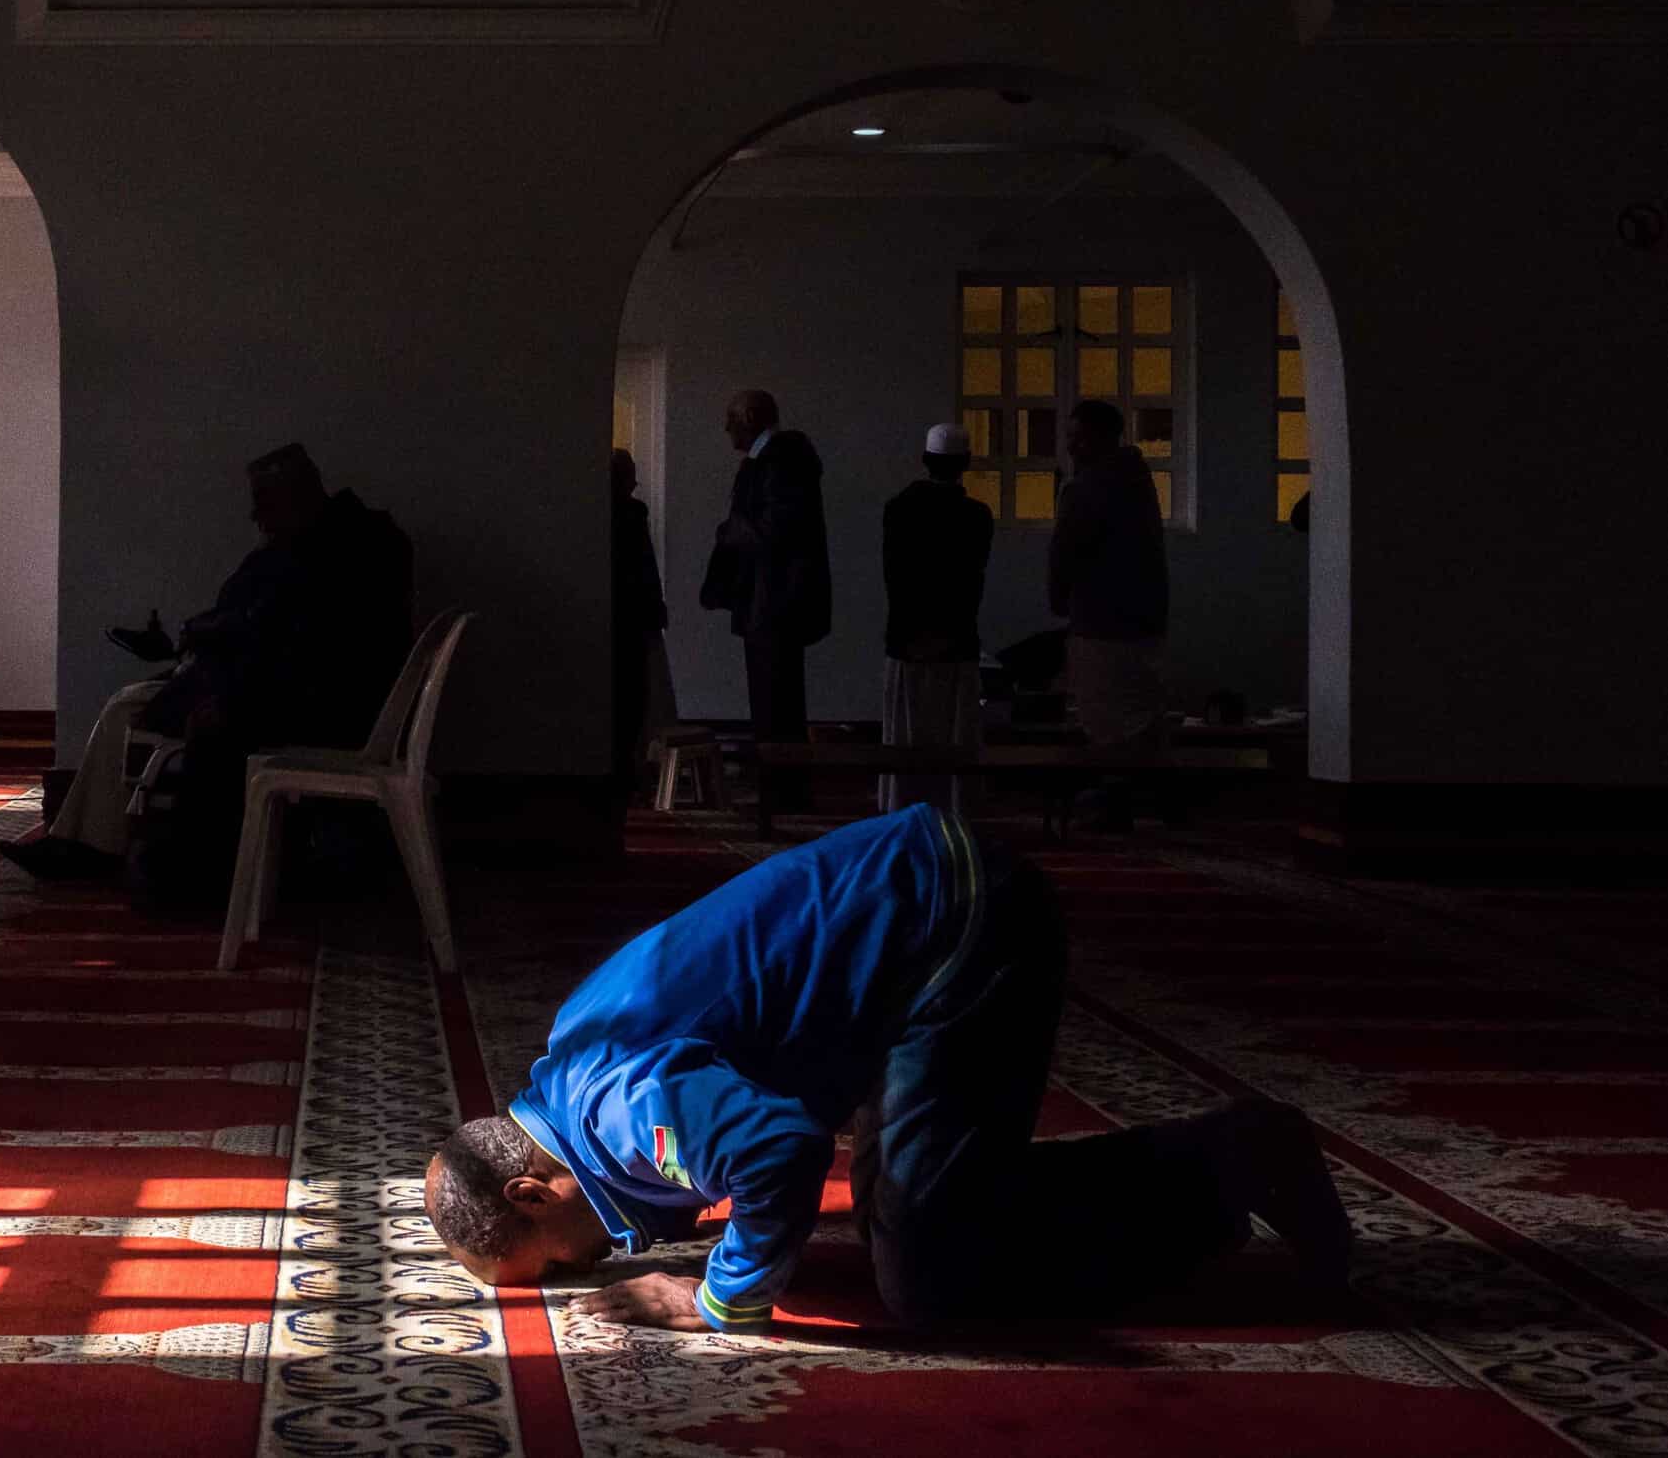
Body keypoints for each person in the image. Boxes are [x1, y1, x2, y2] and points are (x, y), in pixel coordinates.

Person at [421, 804, 1352, 1333]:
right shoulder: (573, 1060)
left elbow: (777, 1149)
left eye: (558, 1265)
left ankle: (1236, 1157)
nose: (595, 1264)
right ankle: (1199, 1181)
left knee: (930, 1282)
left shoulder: (620, 1111)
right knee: (903, 1221)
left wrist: (717, 1298)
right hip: (914, 915)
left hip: (956, 925)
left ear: (533, 1189)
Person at [2, 444, 412, 894]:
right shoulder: (326, 546)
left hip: (304, 706)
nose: (255, 517)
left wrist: (228, 688)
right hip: (269, 686)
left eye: (263, 504)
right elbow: (262, 623)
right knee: (126, 705)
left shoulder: (335, 555)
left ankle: (94, 849)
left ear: (294, 497)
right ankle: (81, 843)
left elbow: (306, 652)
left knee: (127, 708)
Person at [700, 389, 830, 810]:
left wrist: (730, 530)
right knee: (779, 700)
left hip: (771, 602)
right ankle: (785, 789)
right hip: (775, 601)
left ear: (751, 418)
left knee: (773, 702)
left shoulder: (777, 462)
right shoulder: (783, 460)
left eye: (731, 419)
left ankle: (782, 792)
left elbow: (772, 530)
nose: (726, 428)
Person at [1048, 399, 1170, 830]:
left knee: (1104, 719)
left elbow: (1065, 552)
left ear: (1100, 438)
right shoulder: (1137, 479)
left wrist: (1058, 597)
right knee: (1138, 714)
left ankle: (1113, 803)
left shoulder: (1087, 489)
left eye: (1079, 438)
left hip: (1102, 619)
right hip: (1145, 616)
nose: (1072, 446)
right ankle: (1135, 799)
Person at [879, 422, 993, 816]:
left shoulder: (899, 509)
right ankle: (954, 810)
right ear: (966, 463)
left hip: (908, 641)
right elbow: (969, 583)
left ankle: (903, 808)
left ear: (925, 460)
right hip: (955, 640)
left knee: (908, 735)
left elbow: (896, 579)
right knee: (953, 731)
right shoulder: (977, 516)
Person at [610, 448, 669, 786]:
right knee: (634, 697)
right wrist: (655, 607)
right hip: (634, 617)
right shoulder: (633, 514)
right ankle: (630, 765)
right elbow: (645, 567)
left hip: (614, 615)